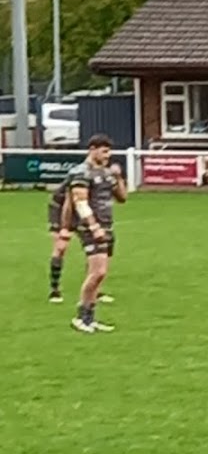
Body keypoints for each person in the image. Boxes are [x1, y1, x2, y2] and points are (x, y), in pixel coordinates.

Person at [67, 135, 125, 334]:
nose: (107, 155)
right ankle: (81, 317)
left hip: (107, 225)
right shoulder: (81, 172)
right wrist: (93, 226)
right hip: (91, 227)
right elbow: (80, 202)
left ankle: (89, 319)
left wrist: (118, 177)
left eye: (109, 151)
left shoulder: (106, 173)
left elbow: (122, 198)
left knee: (100, 275)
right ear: (92, 149)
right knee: (97, 272)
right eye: (104, 151)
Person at [46, 171, 74, 302]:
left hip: (80, 210)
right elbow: (57, 201)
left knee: (95, 251)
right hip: (59, 210)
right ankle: (54, 288)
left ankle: (95, 289)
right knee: (60, 247)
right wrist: (62, 227)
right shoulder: (73, 180)